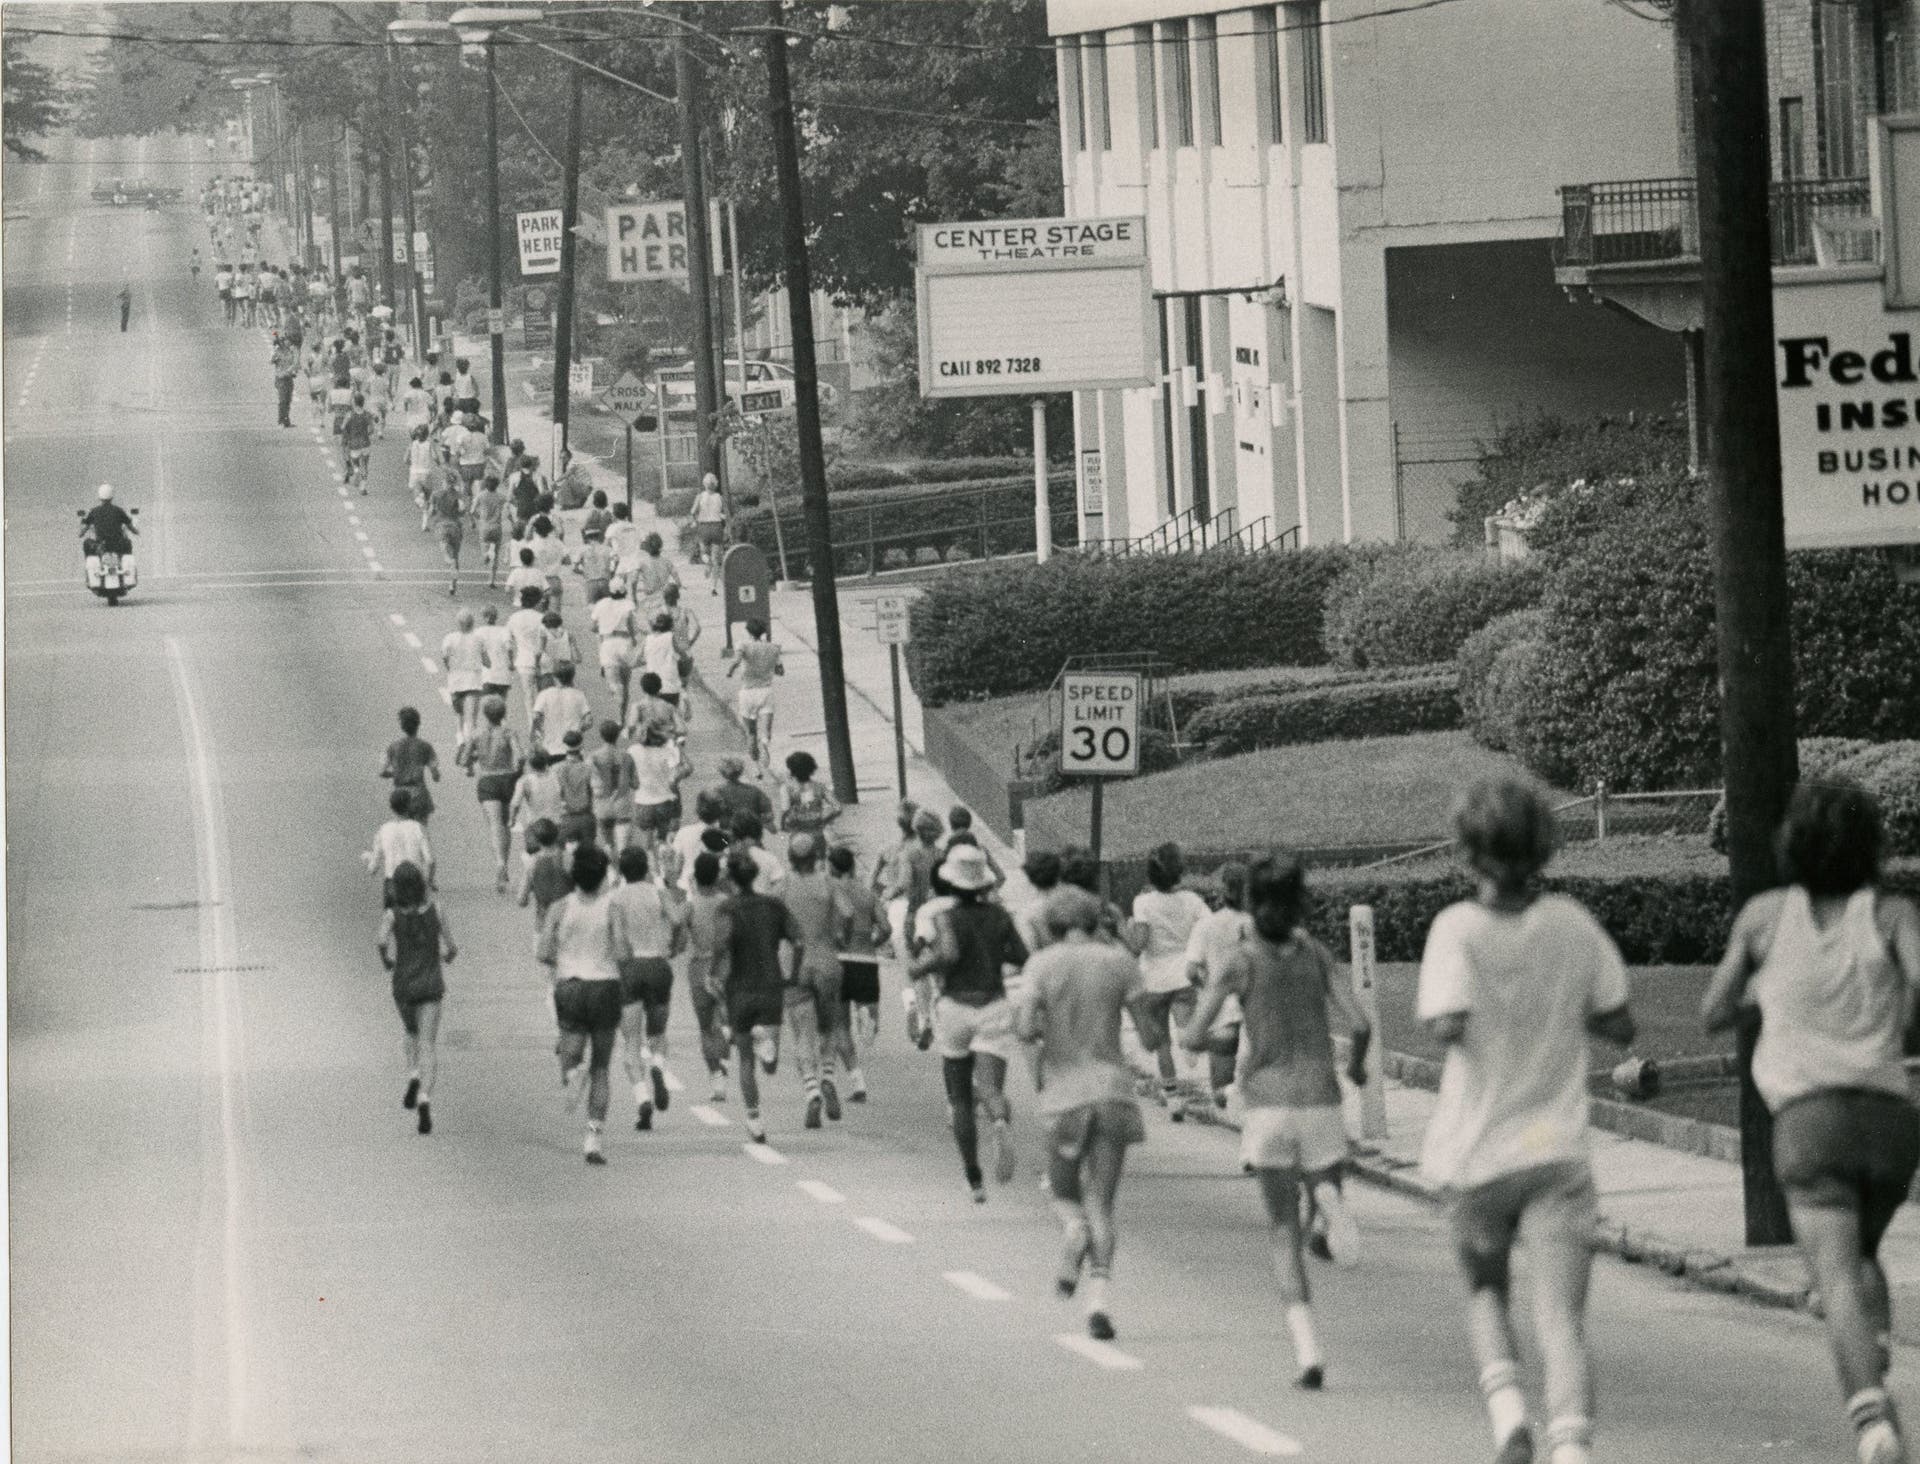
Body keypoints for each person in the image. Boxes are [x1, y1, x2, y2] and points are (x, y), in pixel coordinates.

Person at [1415, 777, 1636, 1464]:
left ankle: (1509, 1413)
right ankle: (1571, 1449)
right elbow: (1620, 1023)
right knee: (1562, 1318)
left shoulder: (1456, 929)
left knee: (1486, 1289)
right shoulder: (1572, 924)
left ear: (1467, 851)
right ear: (1544, 846)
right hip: (1558, 1152)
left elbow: (1445, 1022)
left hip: (1478, 1151)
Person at [1702, 780, 1920, 1464]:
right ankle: (1872, 1354)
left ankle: (1872, 1422)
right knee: (1862, 1256)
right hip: (1889, 1122)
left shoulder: (1765, 918)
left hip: (1809, 1123)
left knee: (1834, 1277)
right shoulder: (1892, 915)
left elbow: (1714, 1010)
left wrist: (1767, 994)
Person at [1180, 851, 1372, 1392]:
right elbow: (1360, 1024)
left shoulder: (1238, 962)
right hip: (1320, 1098)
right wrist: (1356, 1069)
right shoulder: (1316, 955)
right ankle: (1328, 1204)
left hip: (1267, 1104)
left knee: (1282, 1231)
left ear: (1249, 904)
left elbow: (1193, 1034)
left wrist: (1201, 1039)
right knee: (1318, 1197)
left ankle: (1308, 1353)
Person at [1018, 885, 1147, 1342]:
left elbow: (1024, 1028)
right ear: (1094, 921)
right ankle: (1099, 1302)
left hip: (1064, 1095)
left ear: (1052, 925)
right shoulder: (1119, 962)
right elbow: (1150, 1033)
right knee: (1102, 1203)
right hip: (1113, 1091)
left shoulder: (1041, 965)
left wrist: (1045, 1028)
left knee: (1062, 1190)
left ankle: (1073, 1229)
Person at [910, 843, 1030, 1202]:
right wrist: (995, 959)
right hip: (993, 1004)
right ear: (983, 883)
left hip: (955, 1007)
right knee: (991, 1088)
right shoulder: (1000, 916)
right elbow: (1021, 956)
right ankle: (999, 1120)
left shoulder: (946, 918)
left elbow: (947, 953)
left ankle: (973, 1176)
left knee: (960, 1096)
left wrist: (921, 967)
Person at [538, 843, 632, 1165]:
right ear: (603, 875)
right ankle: (593, 1138)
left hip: (571, 985)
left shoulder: (559, 907)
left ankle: (573, 1072)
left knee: (570, 1050)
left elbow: (543, 952)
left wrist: (564, 957)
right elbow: (623, 952)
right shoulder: (612, 907)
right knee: (602, 1066)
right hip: (605, 986)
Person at [712, 847, 803, 1144]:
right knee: (770, 1066)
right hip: (771, 985)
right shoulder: (774, 906)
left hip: (739, 988)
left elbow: (722, 945)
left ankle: (754, 1120)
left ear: (731, 879)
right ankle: (764, 1038)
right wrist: (793, 974)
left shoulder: (727, 909)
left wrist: (713, 974)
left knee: (745, 1059)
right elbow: (799, 941)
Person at [1128, 842, 1212, 1118]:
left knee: (1162, 1040)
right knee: (1185, 1021)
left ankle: (1172, 1095)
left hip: (1154, 978)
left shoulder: (1142, 903)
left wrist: (1128, 934)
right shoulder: (1193, 900)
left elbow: (1139, 943)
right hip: (1183, 972)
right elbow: (1208, 927)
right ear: (1180, 873)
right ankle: (1189, 1045)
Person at [613, 845, 688, 1132]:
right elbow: (678, 919)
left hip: (631, 969)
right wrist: (675, 944)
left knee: (631, 1041)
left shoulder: (616, 898)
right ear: (646, 868)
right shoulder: (658, 893)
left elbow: (616, 939)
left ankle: (642, 1097)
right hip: (658, 966)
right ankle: (657, 1064)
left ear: (621, 871)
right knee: (657, 1034)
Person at [377, 860, 455, 1136]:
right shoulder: (437, 910)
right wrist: (446, 955)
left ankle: (412, 1074)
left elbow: (381, 941)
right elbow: (451, 948)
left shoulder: (392, 915)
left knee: (410, 1031)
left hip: (404, 985)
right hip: (431, 984)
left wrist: (387, 960)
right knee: (428, 1044)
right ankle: (424, 1097)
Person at [781, 833, 852, 1129]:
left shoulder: (783, 885)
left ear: (791, 858)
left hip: (795, 965)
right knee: (829, 1026)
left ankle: (811, 1091)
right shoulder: (829, 883)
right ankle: (828, 1077)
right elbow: (847, 913)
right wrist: (841, 936)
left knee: (802, 1033)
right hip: (826, 961)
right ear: (816, 856)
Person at [1185, 860, 1253, 1109]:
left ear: (1222, 892)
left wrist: (1205, 987)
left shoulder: (1205, 926)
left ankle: (1227, 1105)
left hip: (1221, 1008)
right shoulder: (1260, 925)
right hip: (1256, 1006)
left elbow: (1191, 971)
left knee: (1220, 1086)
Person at [829, 844, 888, 1098]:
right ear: (852, 866)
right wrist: (872, 943)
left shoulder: (830, 892)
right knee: (867, 1012)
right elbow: (886, 928)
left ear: (831, 867)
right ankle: (865, 1013)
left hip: (838, 960)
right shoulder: (867, 894)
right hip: (865, 958)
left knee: (840, 1024)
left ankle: (858, 1083)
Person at [685, 851, 734, 1104]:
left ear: (695, 876)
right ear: (717, 876)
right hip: (726, 968)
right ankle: (726, 1032)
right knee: (725, 1017)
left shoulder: (690, 905)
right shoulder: (728, 903)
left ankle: (717, 1080)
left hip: (698, 968)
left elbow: (679, 938)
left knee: (705, 1028)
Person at [462, 694, 522, 892]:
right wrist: (517, 771)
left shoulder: (476, 734)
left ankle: (499, 862)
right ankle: (505, 863)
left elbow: (464, 760)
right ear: (503, 714)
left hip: (487, 780)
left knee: (495, 824)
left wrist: (473, 759)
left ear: (485, 714)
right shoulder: (509, 732)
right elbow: (520, 756)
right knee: (506, 824)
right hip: (507, 778)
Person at [726, 619, 783, 775]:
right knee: (766, 731)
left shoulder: (743, 645)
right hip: (766, 692)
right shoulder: (773, 648)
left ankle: (757, 768)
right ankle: (764, 743)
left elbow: (736, 661)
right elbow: (780, 671)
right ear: (763, 632)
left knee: (751, 733)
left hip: (748, 693)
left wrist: (730, 671)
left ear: (748, 631)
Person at [365, 788, 433, 906]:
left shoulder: (383, 830)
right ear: (410, 805)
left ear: (391, 807)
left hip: (393, 883)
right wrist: (427, 884)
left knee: (392, 917)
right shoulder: (418, 828)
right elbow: (430, 861)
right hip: (415, 882)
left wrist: (369, 857)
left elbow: (373, 869)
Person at [629, 726, 689, 856]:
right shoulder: (665, 751)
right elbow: (681, 771)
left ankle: (654, 867)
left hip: (643, 802)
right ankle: (663, 861)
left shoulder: (633, 750)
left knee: (648, 843)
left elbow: (629, 774)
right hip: (664, 801)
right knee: (662, 839)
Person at [379, 706, 440, 827]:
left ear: (402, 726)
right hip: (419, 792)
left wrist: (396, 773)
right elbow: (435, 775)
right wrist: (435, 774)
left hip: (400, 794)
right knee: (421, 830)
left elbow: (382, 772)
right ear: (418, 724)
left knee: (403, 830)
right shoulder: (425, 746)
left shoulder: (393, 746)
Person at [590, 579, 639, 720]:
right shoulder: (629, 604)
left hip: (608, 643)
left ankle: (617, 704)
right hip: (625, 643)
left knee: (614, 684)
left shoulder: (601, 604)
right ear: (624, 591)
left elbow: (593, 627)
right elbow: (633, 628)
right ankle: (621, 716)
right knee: (625, 684)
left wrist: (604, 626)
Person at [440, 608, 488, 749]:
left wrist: (449, 667)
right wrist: (487, 663)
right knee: (471, 717)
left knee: (459, 712)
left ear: (458, 623)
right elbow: (486, 661)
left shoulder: (449, 638)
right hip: (473, 681)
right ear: (472, 623)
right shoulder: (479, 639)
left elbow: (445, 656)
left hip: (455, 681)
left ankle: (459, 736)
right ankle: (470, 741)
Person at [588, 719, 634, 853]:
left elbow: (589, 781)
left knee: (609, 845)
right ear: (618, 735)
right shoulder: (627, 756)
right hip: (622, 805)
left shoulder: (593, 757)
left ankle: (612, 865)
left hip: (603, 805)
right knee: (623, 849)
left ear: (601, 736)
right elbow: (635, 783)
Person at [531, 662, 592, 762]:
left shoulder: (544, 695)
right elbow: (589, 721)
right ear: (572, 676)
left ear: (554, 677)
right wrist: (579, 730)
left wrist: (540, 731)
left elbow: (536, 717)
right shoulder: (579, 695)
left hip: (550, 748)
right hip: (573, 748)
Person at [505, 587, 547, 730]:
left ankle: (532, 726)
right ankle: (543, 724)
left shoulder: (514, 618)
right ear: (536, 601)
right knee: (543, 695)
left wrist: (510, 661)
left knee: (529, 696)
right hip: (543, 661)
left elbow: (508, 643)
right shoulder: (542, 618)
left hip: (524, 661)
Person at [779, 749, 842, 837]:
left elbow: (785, 809)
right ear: (812, 768)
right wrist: (824, 821)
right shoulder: (820, 787)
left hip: (798, 833)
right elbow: (838, 808)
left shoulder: (787, 788)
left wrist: (782, 825)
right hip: (817, 832)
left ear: (791, 770)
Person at [427, 473, 467, 595]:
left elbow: (430, 512)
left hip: (441, 525)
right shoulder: (459, 495)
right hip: (456, 526)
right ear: (454, 483)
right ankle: (452, 584)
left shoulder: (436, 494)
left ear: (444, 482)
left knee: (443, 544)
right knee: (455, 555)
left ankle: (447, 558)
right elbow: (462, 511)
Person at [709, 755, 775, 829]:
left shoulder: (717, 792)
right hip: (751, 831)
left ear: (723, 774)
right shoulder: (754, 790)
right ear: (740, 772)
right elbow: (769, 814)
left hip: (728, 831)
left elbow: (709, 816)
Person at [692, 472, 727, 592]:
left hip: (704, 527)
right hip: (717, 527)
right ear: (715, 484)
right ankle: (714, 587)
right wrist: (722, 519)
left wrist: (695, 521)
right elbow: (725, 514)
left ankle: (708, 563)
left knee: (704, 554)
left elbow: (693, 511)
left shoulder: (700, 497)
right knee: (716, 559)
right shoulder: (720, 497)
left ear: (704, 484)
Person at [81, 483, 137, 559]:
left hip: (101, 545)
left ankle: (94, 562)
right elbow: (133, 529)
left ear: (99, 497)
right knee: (127, 542)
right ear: (112, 497)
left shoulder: (94, 511)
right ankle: (123, 561)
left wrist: (82, 525)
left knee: (86, 542)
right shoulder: (119, 510)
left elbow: (82, 533)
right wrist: (137, 531)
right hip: (118, 546)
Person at [470, 474, 507, 588]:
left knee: (484, 547)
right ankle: (491, 580)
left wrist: (478, 518)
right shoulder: (501, 497)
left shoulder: (481, 496)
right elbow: (508, 505)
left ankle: (486, 554)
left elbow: (472, 511)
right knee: (496, 555)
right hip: (497, 526)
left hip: (484, 526)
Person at [641, 612, 683, 709]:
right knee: (672, 713)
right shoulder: (670, 636)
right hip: (670, 686)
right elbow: (683, 655)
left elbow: (637, 659)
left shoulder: (647, 639)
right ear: (670, 625)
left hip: (652, 686)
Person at [341, 393, 376, 494]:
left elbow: (343, 427)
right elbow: (371, 430)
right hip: (365, 443)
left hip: (354, 444)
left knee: (356, 463)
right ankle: (363, 487)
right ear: (363, 403)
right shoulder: (367, 415)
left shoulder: (349, 415)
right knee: (365, 465)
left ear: (354, 402)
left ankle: (356, 471)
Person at [272, 333, 299, 428]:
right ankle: (281, 420)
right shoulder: (278, 351)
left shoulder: (292, 351)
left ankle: (286, 420)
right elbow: (271, 360)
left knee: (288, 400)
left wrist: (290, 371)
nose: (288, 342)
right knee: (282, 400)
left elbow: (295, 363)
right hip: (280, 378)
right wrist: (275, 355)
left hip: (289, 378)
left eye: (289, 341)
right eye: (286, 341)